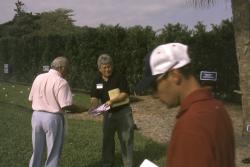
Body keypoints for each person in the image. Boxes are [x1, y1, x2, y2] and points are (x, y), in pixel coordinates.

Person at [136, 43, 235, 167]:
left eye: (154, 86)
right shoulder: (217, 108)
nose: (154, 94)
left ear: (174, 75)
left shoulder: (192, 124)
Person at [28, 56, 86, 167]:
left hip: (36, 116)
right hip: (52, 118)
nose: (67, 71)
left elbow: (30, 98)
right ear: (61, 68)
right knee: (53, 152)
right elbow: (66, 106)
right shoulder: (61, 82)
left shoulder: (39, 77)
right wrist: (81, 109)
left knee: (37, 150)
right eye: (67, 68)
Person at [90, 54, 134, 167]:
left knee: (126, 139)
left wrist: (111, 102)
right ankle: (107, 163)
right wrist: (95, 107)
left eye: (109, 66)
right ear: (99, 68)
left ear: (112, 66)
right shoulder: (97, 80)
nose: (107, 69)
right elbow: (94, 96)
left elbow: (124, 94)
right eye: (104, 67)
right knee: (107, 140)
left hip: (123, 112)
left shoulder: (119, 77)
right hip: (108, 113)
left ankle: (128, 164)